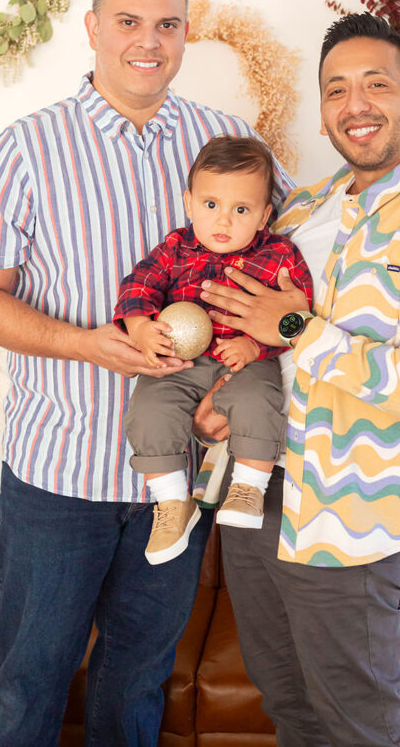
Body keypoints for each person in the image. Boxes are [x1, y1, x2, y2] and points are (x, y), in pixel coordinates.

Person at [0, 0, 293, 747]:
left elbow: (281, 278)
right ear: (93, 29)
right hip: (58, 477)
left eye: (167, 24)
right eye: (129, 21)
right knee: (29, 679)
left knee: (139, 681)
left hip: (178, 478)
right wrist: (84, 344)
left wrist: (229, 383)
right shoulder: (26, 149)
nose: (149, 40)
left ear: (184, 35)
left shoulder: (228, 141)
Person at [198, 12, 400, 747]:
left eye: (375, 84)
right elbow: (248, 331)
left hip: (348, 517)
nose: (354, 104)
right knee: (286, 702)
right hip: (255, 485)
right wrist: (216, 398)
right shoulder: (301, 207)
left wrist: (296, 328)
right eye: (335, 89)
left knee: (358, 722)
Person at [114, 135, 313, 564]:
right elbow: (138, 285)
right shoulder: (176, 248)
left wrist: (256, 343)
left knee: (259, 399)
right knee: (148, 407)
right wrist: (140, 326)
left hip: (245, 361)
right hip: (180, 361)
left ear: (264, 216)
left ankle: (248, 489)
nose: (223, 220)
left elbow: (299, 313)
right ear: (189, 203)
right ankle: (170, 503)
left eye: (240, 210)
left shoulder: (280, 255)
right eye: (210, 205)